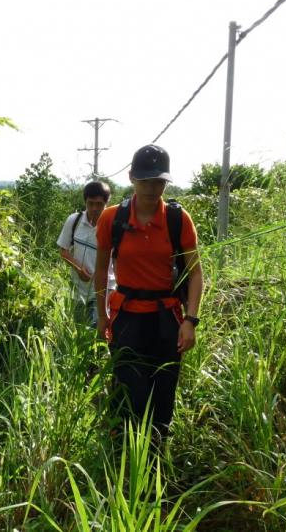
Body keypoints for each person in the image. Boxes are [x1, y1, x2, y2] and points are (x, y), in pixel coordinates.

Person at [94, 144, 203, 440]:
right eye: (144, 180)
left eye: (158, 181)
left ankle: (156, 455)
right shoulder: (113, 218)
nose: (152, 188)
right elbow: (102, 270)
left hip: (166, 318)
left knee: (163, 390)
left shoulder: (178, 220)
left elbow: (195, 272)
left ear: (166, 181)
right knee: (129, 389)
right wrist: (102, 315)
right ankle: (121, 453)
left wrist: (190, 321)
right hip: (125, 316)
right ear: (131, 177)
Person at [57, 180, 116, 326]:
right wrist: (78, 267)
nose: (94, 208)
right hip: (78, 290)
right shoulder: (74, 220)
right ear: (85, 202)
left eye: (99, 204)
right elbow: (64, 250)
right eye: (90, 203)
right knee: (80, 331)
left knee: (96, 328)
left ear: (107, 203)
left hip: (104, 289)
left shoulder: (113, 226)